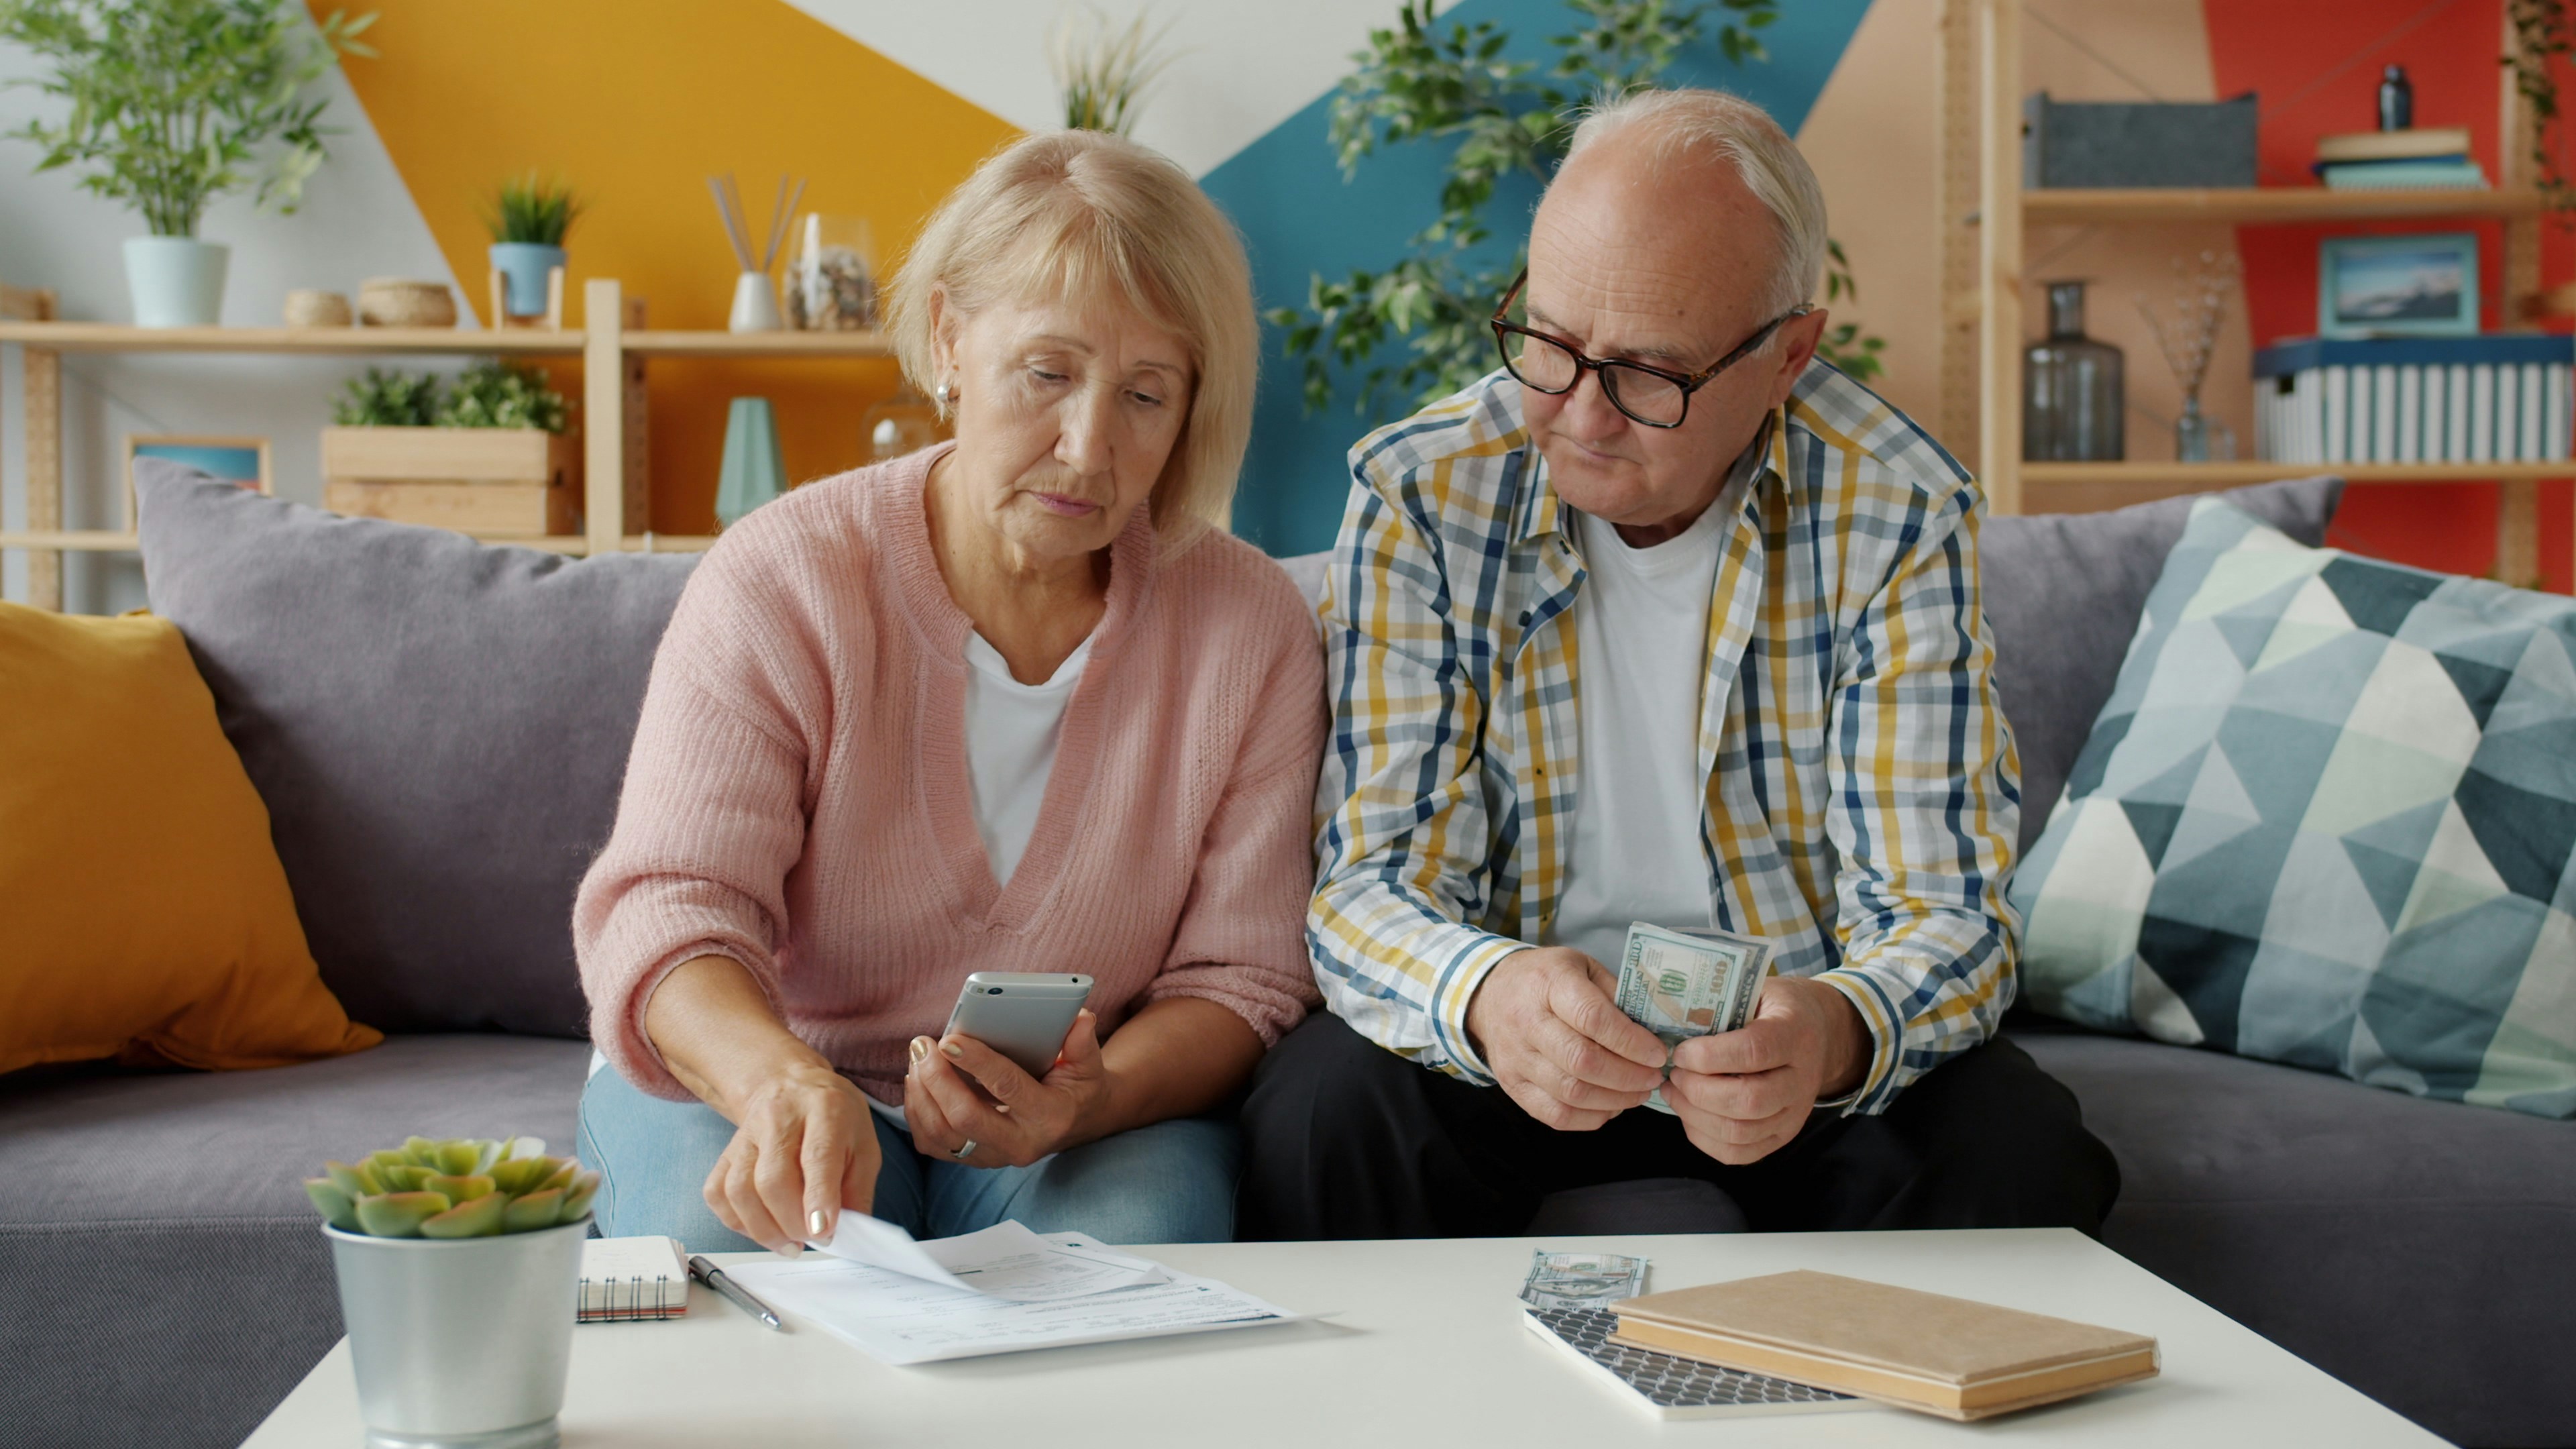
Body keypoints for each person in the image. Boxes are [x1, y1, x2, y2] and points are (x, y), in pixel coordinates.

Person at [1240, 89, 2118, 1239]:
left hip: (1793, 1052)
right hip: (1510, 1048)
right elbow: (1370, 884)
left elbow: (1944, 911)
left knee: (2021, 1148)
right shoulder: (1425, 492)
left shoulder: (1898, 506)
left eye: (1649, 375)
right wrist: (1489, 994)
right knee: (1322, 1116)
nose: (1579, 417)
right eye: (1548, 345)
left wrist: (1832, 1030)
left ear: (1789, 354)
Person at [574, 129, 1326, 1255]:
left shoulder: (1249, 626)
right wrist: (778, 1081)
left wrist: (1094, 1097)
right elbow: (673, 910)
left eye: (1145, 395)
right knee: (735, 1251)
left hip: (1074, 1123)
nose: (1087, 446)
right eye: (1047, 373)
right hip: (767, 1073)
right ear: (948, 342)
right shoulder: (785, 576)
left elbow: (1242, 979)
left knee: (1152, 1232)